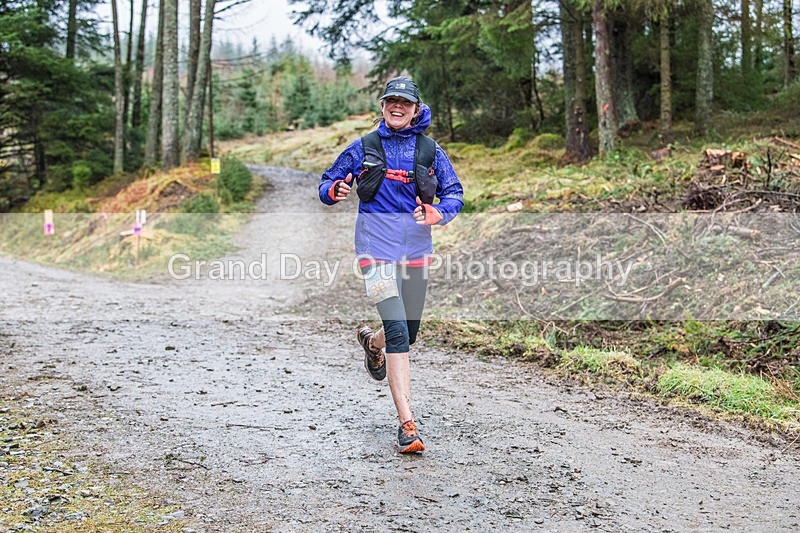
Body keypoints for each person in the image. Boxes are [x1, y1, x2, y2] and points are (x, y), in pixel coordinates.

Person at [319, 76, 464, 453]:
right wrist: (334, 190)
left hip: (415, 250)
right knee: (399, 330)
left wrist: (438, 213)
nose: (397, 106)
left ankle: (372, 343)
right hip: (375, 251)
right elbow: (328, 183)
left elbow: (455, 194)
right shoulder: (363, 147)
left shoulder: (430, 151)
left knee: (407, 332)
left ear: (416, 110)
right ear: (382, 106)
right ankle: (407, 424)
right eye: (391, 101)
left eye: (405, 102)